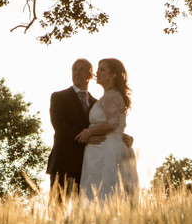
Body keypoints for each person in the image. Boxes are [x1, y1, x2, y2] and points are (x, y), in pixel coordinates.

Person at [77, 58, 139, 200]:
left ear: (113, 75)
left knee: (104, 192)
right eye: (98, 69)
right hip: (106, 148)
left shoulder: (111, 95)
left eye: (102, 69)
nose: (97, 72)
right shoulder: (108, 96)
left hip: (106, 151)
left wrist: (88, 132)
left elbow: (112, 123)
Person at [47, 59, 98, 195]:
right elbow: (59, 126)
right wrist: (86, 138)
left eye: (82, 69)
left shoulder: (97, 104)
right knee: (58, 211)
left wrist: (124, 137)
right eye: (74, 69)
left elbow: (107, 125)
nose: (77, 72)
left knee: (83, 213)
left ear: (91, 75)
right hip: (63, 162)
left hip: (88, 165)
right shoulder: (59, 97)